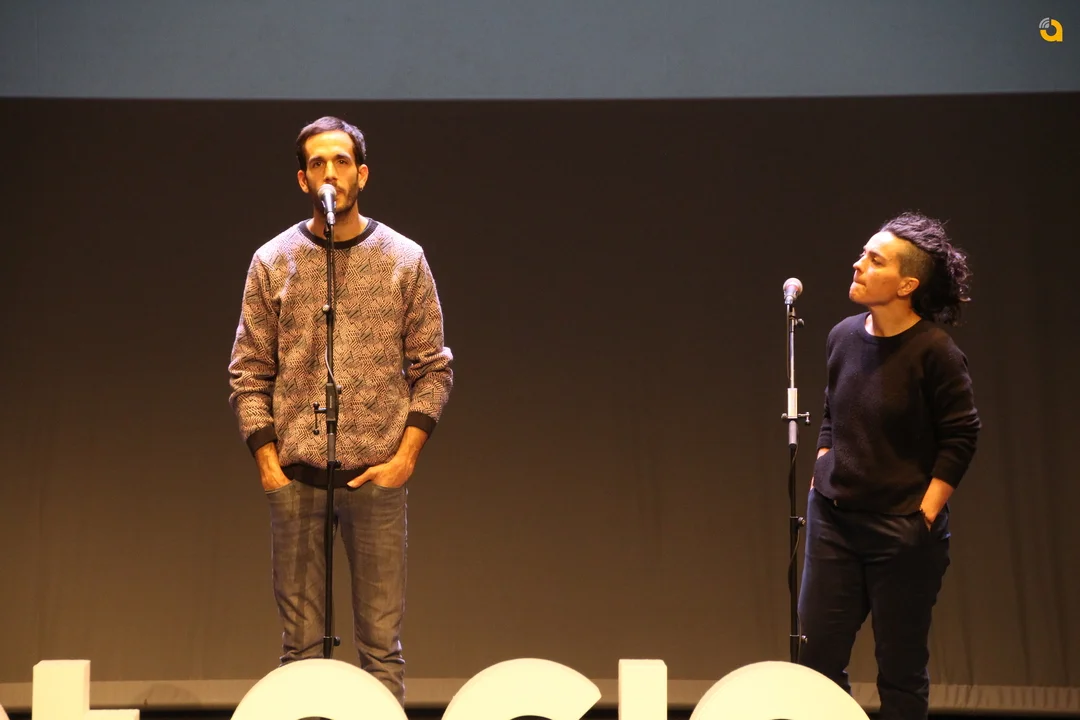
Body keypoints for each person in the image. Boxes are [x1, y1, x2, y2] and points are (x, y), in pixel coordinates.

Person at [228, 116, 453, 705]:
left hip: (376, 481)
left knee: (380, 649)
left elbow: (433, 366)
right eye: (318, 163)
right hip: (296, 481)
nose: (331, 172)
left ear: (363, 174)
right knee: (299, 652)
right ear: (303, 180)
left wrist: (404, 459)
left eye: (342, 161)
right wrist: (268, 465)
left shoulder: (404, 259)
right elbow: (248, 371)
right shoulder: (273, 261)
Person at [798, 212, 980, 720]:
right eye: (863, 254)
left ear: (906, 285)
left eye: (875, 260)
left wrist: (925, 512)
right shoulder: (842, 336)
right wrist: (823, 465)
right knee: (816, 664)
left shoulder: (935, 353)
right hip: (834, 522)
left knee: (900, 673)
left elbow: (962, 435)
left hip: (900, 530)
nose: (858, 265)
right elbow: (834, 411)